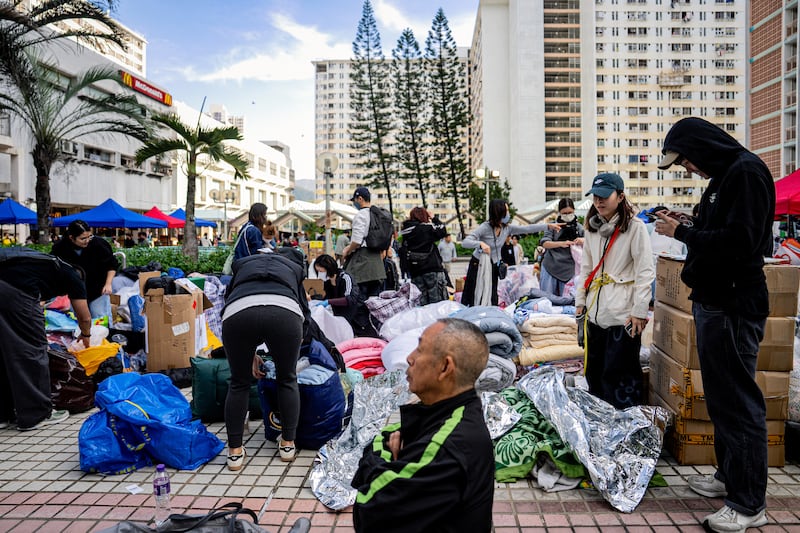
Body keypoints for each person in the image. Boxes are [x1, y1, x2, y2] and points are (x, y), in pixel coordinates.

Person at [654, 117, 774, 532]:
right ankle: (728, 477)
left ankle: (747, 503)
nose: (688, 168)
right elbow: (721, 229)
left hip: (733, 303)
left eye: (686, 160)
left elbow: (742, 242)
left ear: (702, 148)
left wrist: (684, 231)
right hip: (715, 301)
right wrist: (690, 220)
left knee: (739, 403)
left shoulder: (746, 172)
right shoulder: (725, 177)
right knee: (722, 399)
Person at [351, 318, 494, 533]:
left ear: (445, 367)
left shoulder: (447, 447)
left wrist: (381, 463)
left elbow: (367, 508)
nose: (409, 358)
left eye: (420, 349)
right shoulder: (453, 410)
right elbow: (384, 438)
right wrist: (388, 463)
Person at [221, 247, 310, 471]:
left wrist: (248, 352)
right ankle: (288, 444)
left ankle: (234, 451)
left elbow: (228, 298)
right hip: (284, 313)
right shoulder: (293, 269)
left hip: (238, 313)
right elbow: (305, 310)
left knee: (239, 383)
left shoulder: (242, 265)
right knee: (287, 378)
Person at [575, 173, 654, 409]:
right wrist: (580, 301)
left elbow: (645, 271)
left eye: (604, 196)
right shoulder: (591, 228)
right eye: (595, 196)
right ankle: (599, 426)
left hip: (623, 315)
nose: (599, 201)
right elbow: (586, 269)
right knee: (595, 374)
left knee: (619, 375)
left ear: (620, 196)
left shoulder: (635, 228)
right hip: (595, 315)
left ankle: (624, 429)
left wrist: (639, 311)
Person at [0, 248, 92, 430]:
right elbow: (85, 317)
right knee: (30, 349)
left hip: (7, 285)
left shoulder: (43, 265)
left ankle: (3, 415)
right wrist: (86, 335)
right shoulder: (72, 275)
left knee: (3, 350)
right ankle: (36, 414)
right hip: (13, 290)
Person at [461, 199, 559, 306]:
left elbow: (527, 228)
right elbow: (465, 242)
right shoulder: (485, 227)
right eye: (506, 211)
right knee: (473, 293)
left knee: (492, 294)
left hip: (493, 265)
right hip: (479, 265)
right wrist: (480, 244)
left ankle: (490, 315)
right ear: (499, 211)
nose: (508, 214)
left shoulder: (507, 228)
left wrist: (548, 226)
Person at [51, 220, 119, 319]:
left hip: (98, 289)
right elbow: (54, 268)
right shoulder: (60, 248)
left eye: (89, 236)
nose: (87, 240)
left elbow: (111, 265)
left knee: (99, 316)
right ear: (71, 238)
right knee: (78, 319)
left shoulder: (99, 244)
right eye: (83, 238)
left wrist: (108, 284)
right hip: (74, 290)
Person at [313, 254, 375, 337]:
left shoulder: (345, 278)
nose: (319, 274)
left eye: (321, 271)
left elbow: (350, 299)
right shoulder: (327, 283)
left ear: (329, 269)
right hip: (341, 320)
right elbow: (326, 297)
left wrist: (328, 301)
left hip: (357, 319)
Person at [341, 187, 386, 298]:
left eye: (354, 200)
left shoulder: (361, 215)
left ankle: (363, 316)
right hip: (377, 263)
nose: (354, 203)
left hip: (363, 262)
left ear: (360, 199)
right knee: (374, 299)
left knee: (360, 298)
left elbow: (356, 241)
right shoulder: (378, 215)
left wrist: (347, 250)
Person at [399, 207, 449, 305]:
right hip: (432, 269)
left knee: (421, 304)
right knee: (437, 304)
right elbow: (442, 231)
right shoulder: (426, 229)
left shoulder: (406, 232)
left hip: (415, 272)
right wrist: (434, 218)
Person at [540, 198, 585, 296]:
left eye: (570, 212)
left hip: (570, 271)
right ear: (559, 213)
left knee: (567, 302)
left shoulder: (579, 227)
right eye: (564, 213)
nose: (568, 215)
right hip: (550, 267)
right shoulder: (553, 226)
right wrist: (561, 243)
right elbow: (544, 243)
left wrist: (582, 240)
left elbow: (591, 241)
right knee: (546, 300)